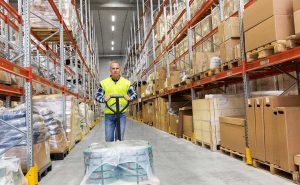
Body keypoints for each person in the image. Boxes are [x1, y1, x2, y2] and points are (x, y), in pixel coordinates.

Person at [95, 62, 138, 142]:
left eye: (117, 68)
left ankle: (119, 154)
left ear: (119, 69)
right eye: (113, 68)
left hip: (121, 114)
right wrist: (103, 99)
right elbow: (97, 96)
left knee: (119, 139)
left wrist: (130, 98)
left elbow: (135, 94)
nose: (115, 70)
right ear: (110, 70)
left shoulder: (126, 83)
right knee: (109, 139)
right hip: (109, 115)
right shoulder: (104, 83)